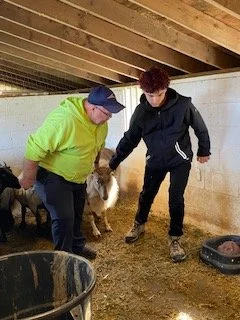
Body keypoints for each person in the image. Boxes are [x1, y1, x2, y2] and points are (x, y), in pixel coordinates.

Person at [109, 67, 210, 262]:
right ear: (144, 92)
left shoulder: (183, 105)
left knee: (175, 197)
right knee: (147, 193)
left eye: (159, 94)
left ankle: (175, 238)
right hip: (155, 160)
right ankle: (139, 223)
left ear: (166, 89)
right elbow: (130, 139)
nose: (154, 100)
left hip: (180, 159)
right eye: (149, 95)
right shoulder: (141, 112)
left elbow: (200, 127)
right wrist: (114, 162)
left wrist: (204, 150)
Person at [18, 86, 125, 260]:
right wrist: (28, 176)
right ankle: (63, 259)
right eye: (107, 112)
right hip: (53, 175)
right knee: (64, 218)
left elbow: (97, 145)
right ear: (92, 107)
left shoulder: (100, 124)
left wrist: (95, 164)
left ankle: (77, 247)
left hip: (78, 178)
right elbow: (34, 146)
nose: (109, 117)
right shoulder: (65, 119)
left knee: (76, 213)